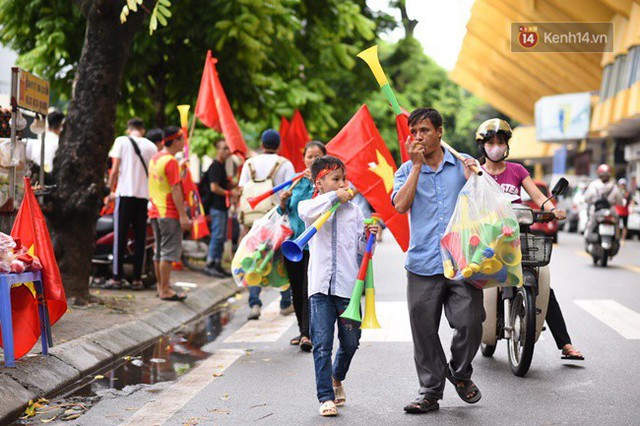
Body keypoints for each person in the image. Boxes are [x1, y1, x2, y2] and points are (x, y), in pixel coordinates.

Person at [392, 108, 479, 415]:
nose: (417, 137)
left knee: (470, 321)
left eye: (424, 131)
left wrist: (475, 178)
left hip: (461, 260)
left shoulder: (464, 164)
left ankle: (459, 372)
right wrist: (416, 168)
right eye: (413, 132)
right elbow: (401, 206)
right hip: (422, 262)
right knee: (424, 330)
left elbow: (484, 201)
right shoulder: (404, 170)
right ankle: (430, 390)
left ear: (440, 132)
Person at [475, 118, 584, 361]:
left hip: (518, 237)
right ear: (483, 146)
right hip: (486, 242)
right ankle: (467, 340)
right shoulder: (476, 173)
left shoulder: (517, 170)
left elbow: (537, 196)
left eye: (500, 142)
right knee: (470, 288)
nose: (496, 146)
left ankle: (565, 343)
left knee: (544, 284)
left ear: (507, 145)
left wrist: (553, 208)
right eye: (491, 142)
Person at [298, 155, 377, 417]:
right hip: (320, 288)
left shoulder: (355, 212)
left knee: (351, 341)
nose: (343, 184)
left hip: (346, 288)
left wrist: (370, 238)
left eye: (344, 179)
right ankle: (325, 397)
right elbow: (305, 212)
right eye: (336, 179)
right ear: (319, 183)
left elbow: (360, 249)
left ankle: (336, 376)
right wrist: (334, 198)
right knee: (322, 344)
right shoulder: (310, 207)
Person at [238, 129, 295, 320]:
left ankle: (254, 304)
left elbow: (242, 190)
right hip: (276, 219)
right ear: (278, 145)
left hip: (254, 220)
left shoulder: (249, 163)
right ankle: (285, 302)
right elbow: (290, 191)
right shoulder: (285, 164)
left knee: (254, 260)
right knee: (280, 261)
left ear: (262, 145)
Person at [278, 141, 326, 352]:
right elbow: (284, 212)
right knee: (296, 289)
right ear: (304, 158)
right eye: (309, 156)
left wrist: (316, 185)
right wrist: (282, 201)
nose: (313, 160)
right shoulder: (295, 180)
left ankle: (309, 333)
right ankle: (302, 330)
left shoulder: (326, 182)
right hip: (293, 244)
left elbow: (326, 207)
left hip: (314, 245)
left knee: (309, 289)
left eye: (317, 157)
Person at [105, 118, 157, 289]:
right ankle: (136, 279)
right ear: (143, 129)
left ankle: (117, 277)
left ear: (129, 129)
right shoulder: (151, 146)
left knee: (120, 237)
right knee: (140, 238)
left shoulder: (121, 141)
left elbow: (115, 169)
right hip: (143, 197)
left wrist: (109, 191)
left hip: (125, 194)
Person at [148, 126, 191, 301]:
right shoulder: (171, 161)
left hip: (155, 212)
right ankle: (165, 290)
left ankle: (161, 287)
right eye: (182, 139)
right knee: (167, 252)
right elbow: (175, 189)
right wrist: (183, 215)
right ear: (175, 141)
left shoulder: (156, 158)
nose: (184, 142)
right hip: (169, 212)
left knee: (159, 252)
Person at [204, 140, 236, 278]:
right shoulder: (215, 167)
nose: (227, 151)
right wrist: (229, 194)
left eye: (228, 149)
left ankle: (217, 263)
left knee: (221, 236)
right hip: (216, 207)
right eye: (224, 148)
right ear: (217, 150)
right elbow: (214, 188)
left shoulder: (222, 166)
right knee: (217, 236)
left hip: (221, 207)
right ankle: (210, 264)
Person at [584, 164, 623, 239]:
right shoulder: (614, 186)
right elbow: (620, 201)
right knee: (617, 221)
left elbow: (586, 198)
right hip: (610, 211)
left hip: (597, 210)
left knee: (590, 222)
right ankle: (617, 237)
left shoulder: (593, 185)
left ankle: (588, 236)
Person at [26, 110, 64, 184]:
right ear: (61, 126)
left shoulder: (34, 143)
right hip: (54, 184)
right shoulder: (62, 144)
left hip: (36, 184)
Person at [615, 178, 631, 243]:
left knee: (625, 226)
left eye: (623, 185)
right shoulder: (617, 192)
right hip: (618, 211)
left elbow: (630, 201)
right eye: (621, 185)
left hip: (625, 212)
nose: (622, 186)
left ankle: (623, 238)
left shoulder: (627, 193)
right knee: (617, 224)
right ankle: (617, 237)